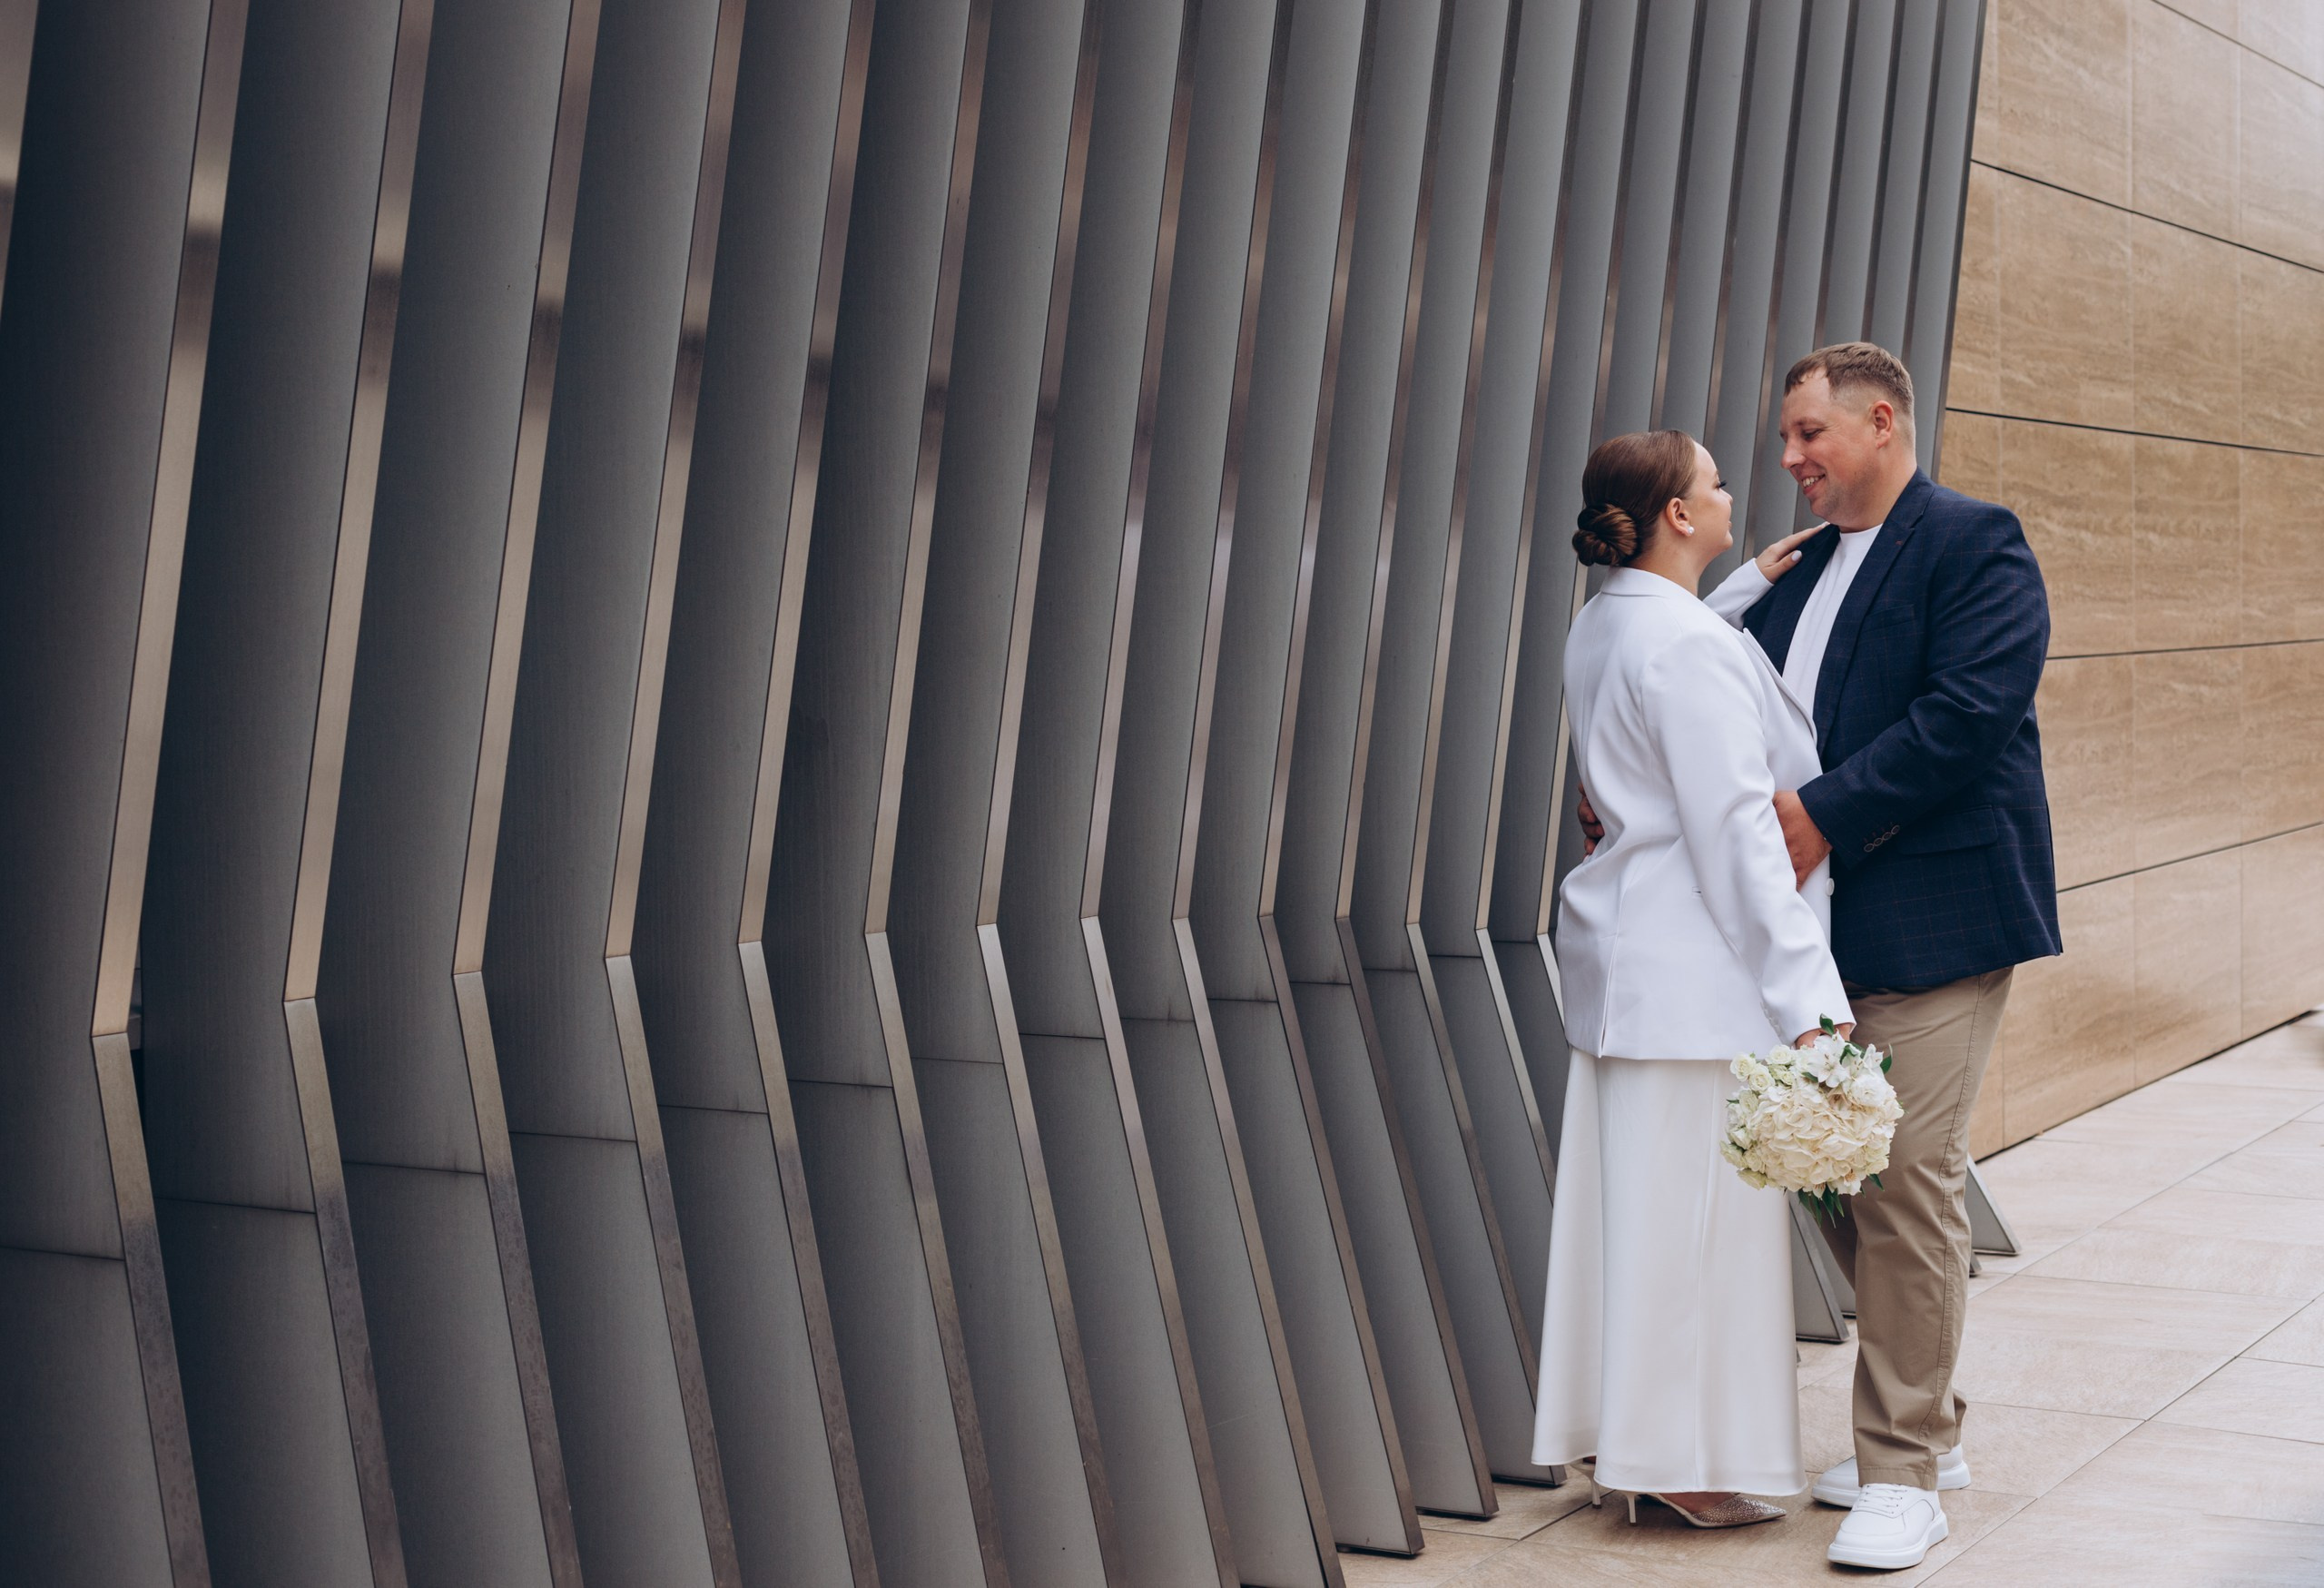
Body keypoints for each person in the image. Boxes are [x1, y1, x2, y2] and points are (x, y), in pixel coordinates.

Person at [1699, 342, 2060, 1571]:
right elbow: (1732, 710)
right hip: (1814, 932)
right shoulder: (1793, 576)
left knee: (1903, 1174)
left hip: (1938, 917)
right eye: (1789, 439)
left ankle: (1902, 1471)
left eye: (1810, 434)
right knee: (1831, 1170)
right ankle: (1931, 1428)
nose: (1790, 458)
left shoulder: (1973, 540)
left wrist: (1819, 814)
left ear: (1883, 420)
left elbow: (1971, 710)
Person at [1531, 429, 1852, 1530]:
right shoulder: (1681, 645)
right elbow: (1736, 841)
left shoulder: (1606, 622)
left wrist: (1736, 590)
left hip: (1629, 972)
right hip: (1691, 981)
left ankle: (1632, 1443)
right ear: (1677, 513)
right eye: (1714, 485)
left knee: (1633, 1226)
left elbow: (1669, 652)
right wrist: (1811, 1010)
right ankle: (1669, 1457)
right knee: (1689, 1235)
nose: (1730, 498)